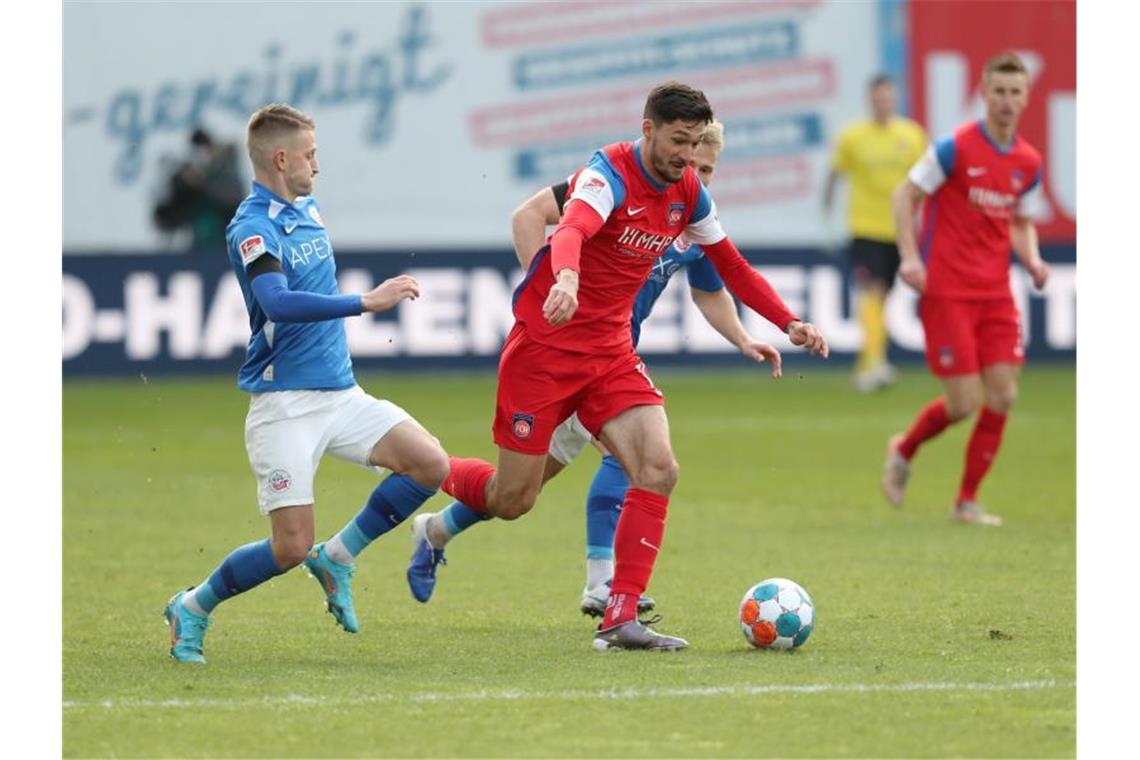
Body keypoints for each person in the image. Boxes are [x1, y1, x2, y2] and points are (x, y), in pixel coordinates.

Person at [437, 81, 829, 651]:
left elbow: (731, 265)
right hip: (545, 352)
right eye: (678, 141)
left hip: (610, 353)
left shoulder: (689, 190)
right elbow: (569, 229)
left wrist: (786, 321)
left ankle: (619, 617)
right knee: (511, 500)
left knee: (658, 467)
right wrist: (565, 277)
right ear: (648, 130)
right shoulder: (608, 173)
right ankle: (428, 465)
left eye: (695, 144)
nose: (688, 156)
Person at [162, 104, 450, 663]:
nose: (317, 165)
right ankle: (193, 607)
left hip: (341, 394)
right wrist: (365, 301)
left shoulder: (307, 207)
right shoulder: (252, 226)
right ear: (280, 157)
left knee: (429, 465)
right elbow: (276, 302)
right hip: (284, 404)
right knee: (289, 547)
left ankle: (339, 555)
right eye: (310, 155)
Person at [882, 52, 1050, 526]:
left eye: (1015, 92)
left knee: (1004, 395)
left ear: (1025, 97)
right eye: (998, 91)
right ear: (984, 91)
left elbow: (1020, 221)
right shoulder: (954, 148)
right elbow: (905, 194)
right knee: (963, 404)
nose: (1006, 101)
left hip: (996, 292)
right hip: (948, 289)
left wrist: (1033, 259)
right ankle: (904, 448)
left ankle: (966, 502)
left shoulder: (1028, 162)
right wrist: (911, 257)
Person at [823, 75, 927, 392]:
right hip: (865, 226)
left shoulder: (912, 135)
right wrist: (825, 218)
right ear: (870, 100)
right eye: (878, 98)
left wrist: (918, 217)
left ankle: (866, 362)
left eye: (887, 98)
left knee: (882, 295)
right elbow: (834, 176)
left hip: (899, 229)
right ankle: (876, 363)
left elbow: (923, 182)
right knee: (873, 289)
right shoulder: (853, 137)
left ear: (894, 100)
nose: (883, 103)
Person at [153, 128, 246, 251]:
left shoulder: (226, 170)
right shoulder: (193, 187)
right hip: (199, 248)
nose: (203, 157)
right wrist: (180, 187)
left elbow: (233, 198)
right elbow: (167, 220)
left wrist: (202, 183)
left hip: (228, 248)